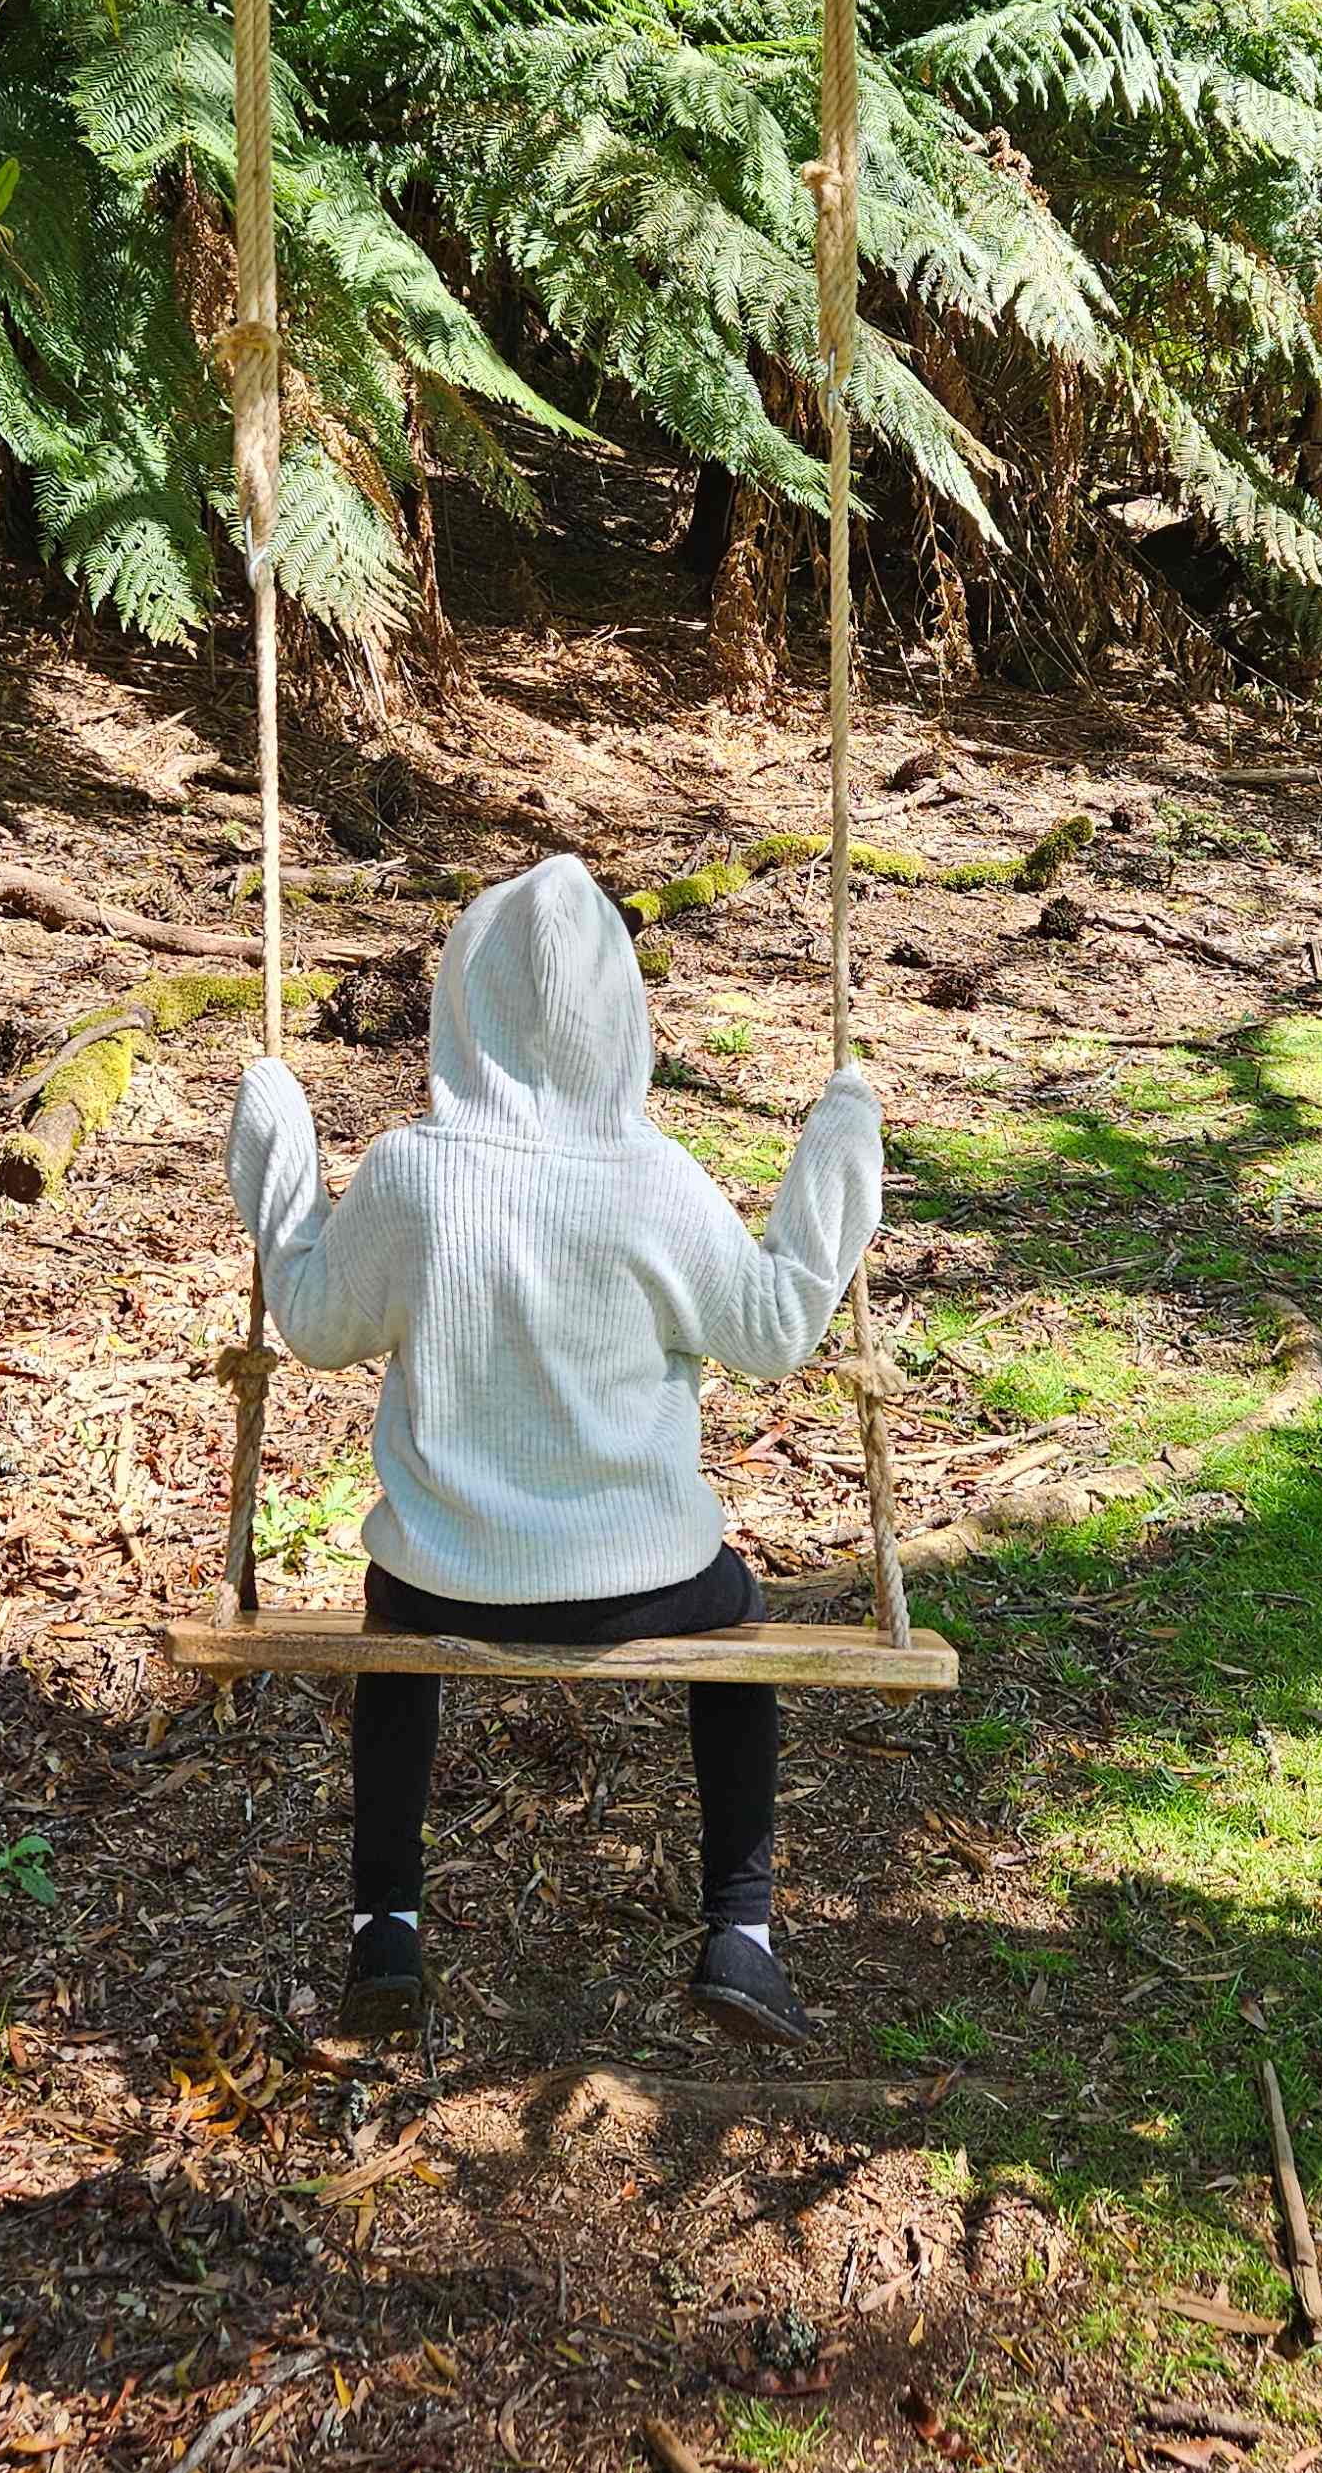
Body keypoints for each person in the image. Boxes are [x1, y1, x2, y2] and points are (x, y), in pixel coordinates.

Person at [224, 851, 881, 2048]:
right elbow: (780, 1326)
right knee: (740, 1620)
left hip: (446, 1577)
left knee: (393, 1629)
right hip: (650, 1587)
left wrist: (279, 1149)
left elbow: (313, 1323)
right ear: (620, 1018)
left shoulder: (414, 1176)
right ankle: (743, 1930)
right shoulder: (653, 1181)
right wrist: (839, 1141)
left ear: (459, 1003)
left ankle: (386, 1924)